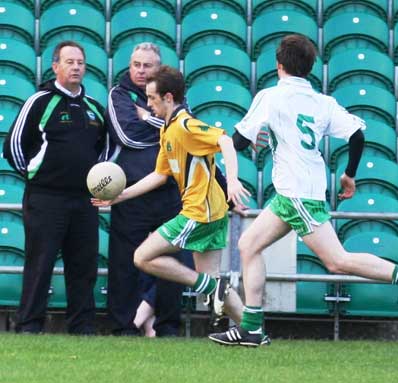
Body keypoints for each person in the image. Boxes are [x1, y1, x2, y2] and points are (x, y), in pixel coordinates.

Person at [208, 34, 398, 347]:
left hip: (298, 195)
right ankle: (252, 328)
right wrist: (348, 175)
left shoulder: (271, 97)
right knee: (248, 244)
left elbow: (236, 142)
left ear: (278, 65)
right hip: (292, 194)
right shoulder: (322, 102)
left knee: (337, 261)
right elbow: (357, 135)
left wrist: (215, 144)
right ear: (309, 68)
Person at [92, 65, 250, 331]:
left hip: (199, 212)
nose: (149, 104)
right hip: (211, 213)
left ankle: (212, 287)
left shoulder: (185, 125)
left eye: (152, 98)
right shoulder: (168, 129)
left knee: (142, 257)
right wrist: (119, 197)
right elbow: (159, 175)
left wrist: (232, 182)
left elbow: (225, 141)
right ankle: (253, 329)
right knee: (211, 283)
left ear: (168, 98)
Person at [3, 41, 108, 334]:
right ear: (55, 66)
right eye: (69, 61)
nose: (76, 67)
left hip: (84, 201)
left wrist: (97, 186)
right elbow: (13, 147)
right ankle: (29, 325)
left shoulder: (94, 109)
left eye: (80, 62)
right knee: (40, 264)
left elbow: (104, 153)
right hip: (45, 198)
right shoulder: (39, 101)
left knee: (83, 266)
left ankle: (82, 327)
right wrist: (36, 175)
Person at [105, 42, 184, 337]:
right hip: (132, 191)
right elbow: (129, 137)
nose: (140, 70)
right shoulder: (119, 94)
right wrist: (164, 127)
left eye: (147, 65)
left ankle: (168, 327)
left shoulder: (174, 93)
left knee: (170, 262)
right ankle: (122, 327)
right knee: (124, 264)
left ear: (158, 68)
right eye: (136, 64)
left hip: (170, 192)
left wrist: (147, 118)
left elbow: (184, 131)